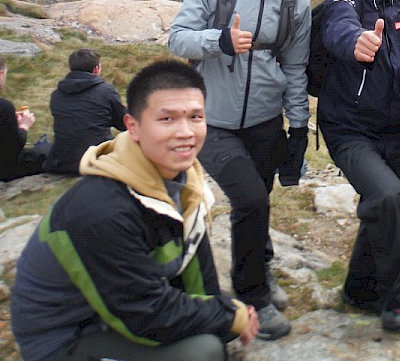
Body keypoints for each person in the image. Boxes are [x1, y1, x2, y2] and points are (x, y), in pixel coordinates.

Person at [11, 60, 259, 361]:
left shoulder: (184, 180)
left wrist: (227, 317)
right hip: (68, 338)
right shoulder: (100, 209)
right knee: (201, 351)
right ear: (133, 126)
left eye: (196, 117)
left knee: (222, 319)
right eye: (167, 119)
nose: (186, 132)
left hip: (119, 305)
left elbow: (198, 273)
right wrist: (225, 318)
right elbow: (143, 316)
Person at [168, 0, 313, 340]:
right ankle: (253, 296)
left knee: (260, 199)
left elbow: (294, 67)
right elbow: (177, 39)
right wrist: (221, 42)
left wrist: (300, 126)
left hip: (267, 121)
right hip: (214, 119)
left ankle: (260, 267)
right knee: (250, 199)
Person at [317, 0, 400, 333]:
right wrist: (355, 40)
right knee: (389, 196)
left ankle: (359, 291)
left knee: (380, 204)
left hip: (393, 129)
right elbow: (338, 25)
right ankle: (398, 300)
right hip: (349, 126)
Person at [43, 48, 127, 174]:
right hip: (96, 160)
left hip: (62, 162)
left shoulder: (57, 94)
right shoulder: (106, 91)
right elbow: (124, 124)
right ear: (96, 69)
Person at [0, 55, 47, 182]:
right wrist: (24, 127)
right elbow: (14, 148)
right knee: (48, 152)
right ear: (1, 74)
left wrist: (8, 119)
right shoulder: (4, 106)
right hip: (6, 169)